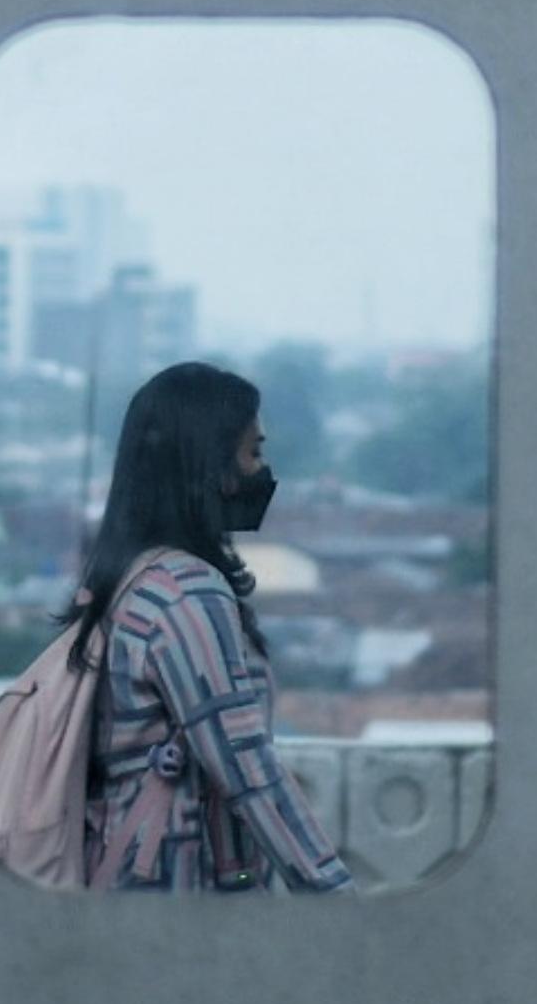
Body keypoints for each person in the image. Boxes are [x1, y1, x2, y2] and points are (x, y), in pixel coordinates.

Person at [67, 361, 352, 895]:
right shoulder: (186, 595)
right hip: (177, 881)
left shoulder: (133, 576)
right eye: (253, 452)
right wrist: (334, 890)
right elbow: (247, 767)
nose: (262, 471)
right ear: (210, 465)